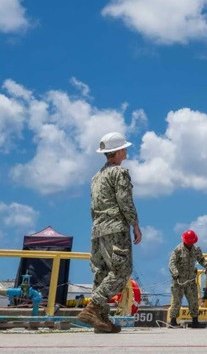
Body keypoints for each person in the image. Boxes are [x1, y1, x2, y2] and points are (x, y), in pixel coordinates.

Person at [76, 132, 141, 334]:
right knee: (122, 271)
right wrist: (135, 225)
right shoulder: (119, 173)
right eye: (125, 148)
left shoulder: (96, 177)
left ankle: (102, 320)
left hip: (98, 229)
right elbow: (125, 201)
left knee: (101, 273)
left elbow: (93, 206)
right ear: (119, 151)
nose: (127, 151)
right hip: (115, 227)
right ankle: (93, 308)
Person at [167, 229, 207, 328]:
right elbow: (172, 263)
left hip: (190, 281)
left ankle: (195, 321)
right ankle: (173, 321)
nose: (190, 244)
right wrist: (175, 273)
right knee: (177, 301)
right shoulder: (178, 250)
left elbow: (201, 259)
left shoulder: (196, 250)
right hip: (178, 281)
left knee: (194, 301)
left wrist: (206, 265)